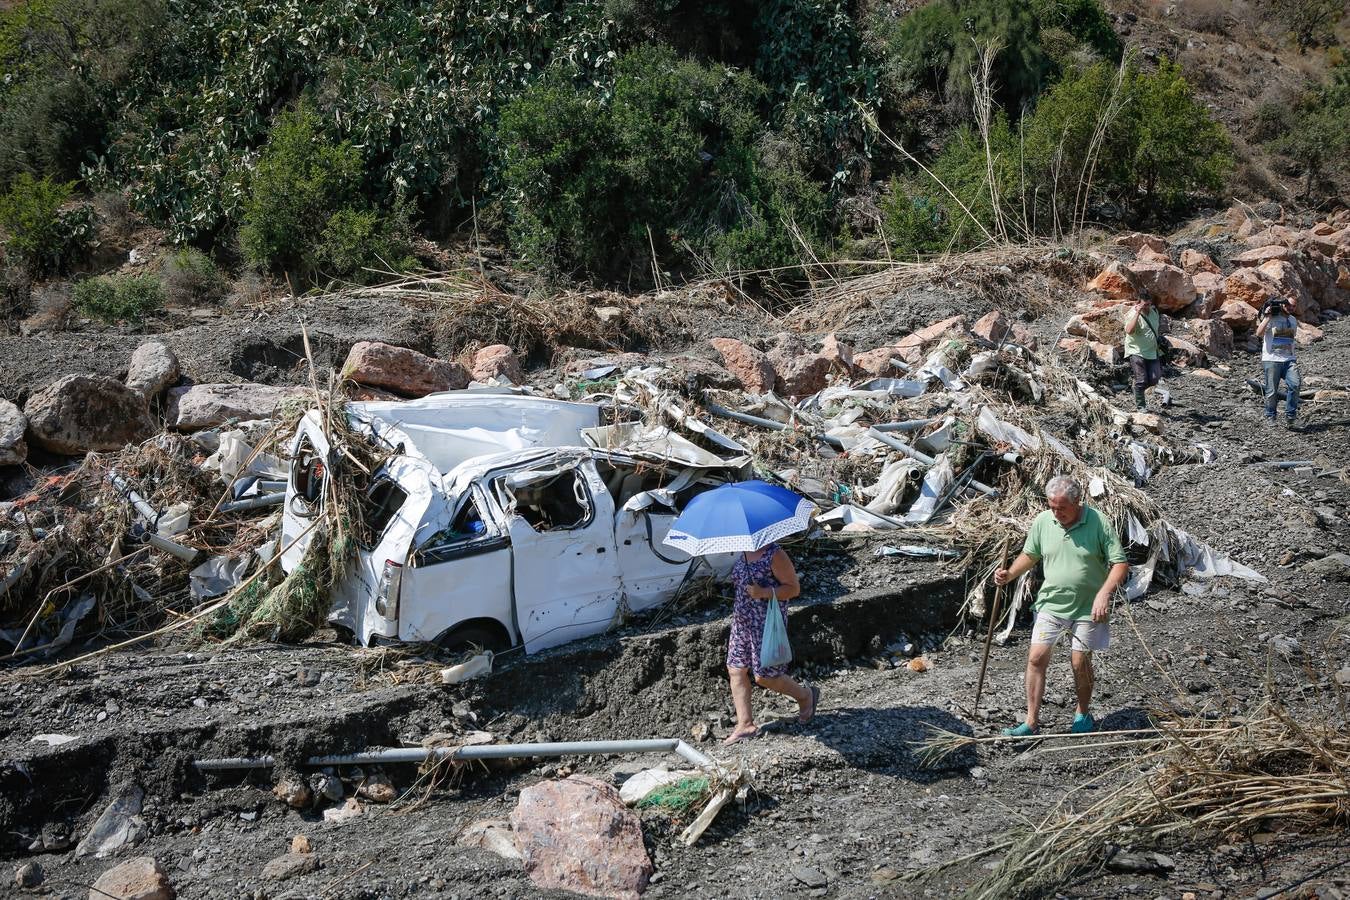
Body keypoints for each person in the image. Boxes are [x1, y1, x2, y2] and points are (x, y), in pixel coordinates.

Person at [994, 476, 1129, 736]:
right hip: (1051, 603)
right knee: (1036, 658)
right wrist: (1009, 574)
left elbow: (1120, 563)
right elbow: (1031, 554)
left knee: (1079, 662)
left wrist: (1104, 594)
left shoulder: (1098, 522)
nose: (1057, 513)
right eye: (1052, 507)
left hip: (1089, 607)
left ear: (1078, 502)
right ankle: (1031, 722)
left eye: (1062, 508)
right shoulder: (1044, 521)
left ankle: (1082, 713)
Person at [724, 542, 819, 744]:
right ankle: (745, 725)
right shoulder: (744, 552)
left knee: (764, 676)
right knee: (736, 669)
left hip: (765, 622)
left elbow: (793, 588)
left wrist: (764, 592)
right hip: (742, 621)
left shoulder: (775, 554)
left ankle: (805, 696)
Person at [1255, 296, 1301, 428]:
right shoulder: (1272, 318)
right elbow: (1258, 333)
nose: (1291, 308)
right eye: (1288, 305)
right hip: (1271, 359)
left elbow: (1291, 339)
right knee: (1272, 390)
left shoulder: (1293, 320)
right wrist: (1268, 316)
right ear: (1282, 305)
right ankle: (1270, 416)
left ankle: (1291, 416)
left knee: (1295, 384)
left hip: (1289, 359)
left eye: (1293, 306)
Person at [1122, 291, 1164, 411]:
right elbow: (1129, 330)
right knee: (1141, 380)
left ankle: (1137, 389)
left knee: (1155, 378)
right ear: (1138, 303)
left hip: (1152, 351)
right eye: (1145, 305)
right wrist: (1137, 313)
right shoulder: (1132, 314)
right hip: (1137, 351)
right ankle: (1141, 407)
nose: (1147, 307)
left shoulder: (1154, 311)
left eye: (1149, 304)